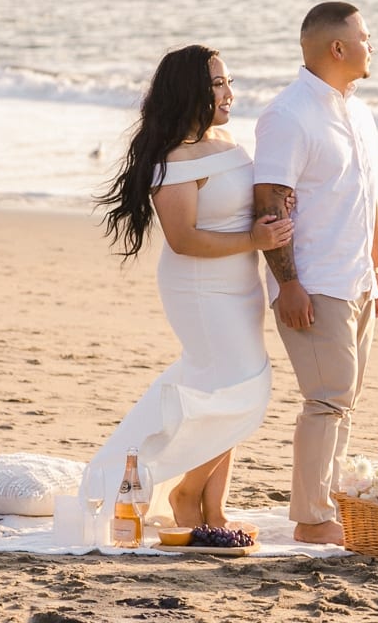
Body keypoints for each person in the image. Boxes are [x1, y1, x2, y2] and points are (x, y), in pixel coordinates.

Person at [89, 44, 293, 529]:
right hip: (201, 290)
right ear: (190, 93)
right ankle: (185, 493)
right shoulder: (173, 159)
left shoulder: (224, 139)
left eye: (228, 82)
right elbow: (183, 240)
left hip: (240, 284)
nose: (228, 93)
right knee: (244, 389)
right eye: (216, 85)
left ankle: (212, 508)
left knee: (226, 392)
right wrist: (254, 237)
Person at [253, 1, 378, 546]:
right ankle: (312, 519)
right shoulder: (288, 116)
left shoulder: (358, 111)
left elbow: (368, 196)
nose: (371, 45)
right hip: (314, 284)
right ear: (338, 48)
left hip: (356, 276)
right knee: (328, 397)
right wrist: (288, 283)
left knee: (344, 400)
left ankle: (327, 505)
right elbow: (268, 204)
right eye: (364, 36)